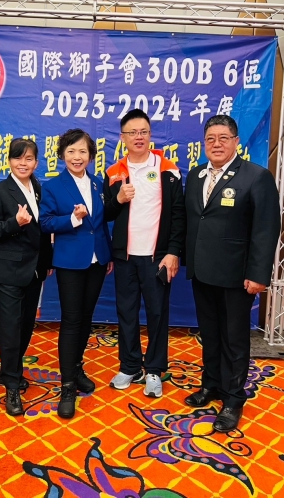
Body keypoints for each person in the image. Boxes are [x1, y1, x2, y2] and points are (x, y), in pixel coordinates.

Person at [184, 114, 280, 432]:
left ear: (236, 142)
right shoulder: (196, 176)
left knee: (234, 339)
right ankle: (211, 385)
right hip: (202, 271)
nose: (217, 144)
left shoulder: (256, 176)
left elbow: (266, 229)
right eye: (210, 139)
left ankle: (234, 398)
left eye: (223, 138)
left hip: (237, 275)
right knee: (210, 334)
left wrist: (259, 274)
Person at [104, 109, 185, 398]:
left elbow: (178, 214)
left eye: (144, 132)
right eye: (132, 133)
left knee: (157, 313)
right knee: (126, 312)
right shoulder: (114, 173)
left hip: (157, 257)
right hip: (125, 257)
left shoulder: (168, 169)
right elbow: (106, 213)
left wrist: (173, 252)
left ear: (150, 135)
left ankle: (153, 370)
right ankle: (129, 366)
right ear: (122, 137)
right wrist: (118, 199)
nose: (138, 137)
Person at [39, 129, 113, 419]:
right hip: (70, 262)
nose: (77, 157)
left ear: (91, 155)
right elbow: (45, 222)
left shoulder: (98, 182)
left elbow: (102, 223)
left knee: (85, 318)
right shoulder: (53, 186)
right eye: (71, 151)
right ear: (62, 155)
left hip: (97, 260)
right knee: (71, 321)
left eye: (82, 151)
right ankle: (67, 385)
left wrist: (106, 253)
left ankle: (77, 367)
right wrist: (72, 218)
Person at [0, 138, 52, 417]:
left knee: (25, 326)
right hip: (6, 270)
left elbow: (44, 230)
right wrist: (15, 223)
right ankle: (11, 384)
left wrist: (47, 262)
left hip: (34, 269)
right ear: (9, 161)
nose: (23, 163)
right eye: (18, 158)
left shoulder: (39, 189)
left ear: (36, 162)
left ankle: (7, 370)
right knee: (10, 328)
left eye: (29, 158)